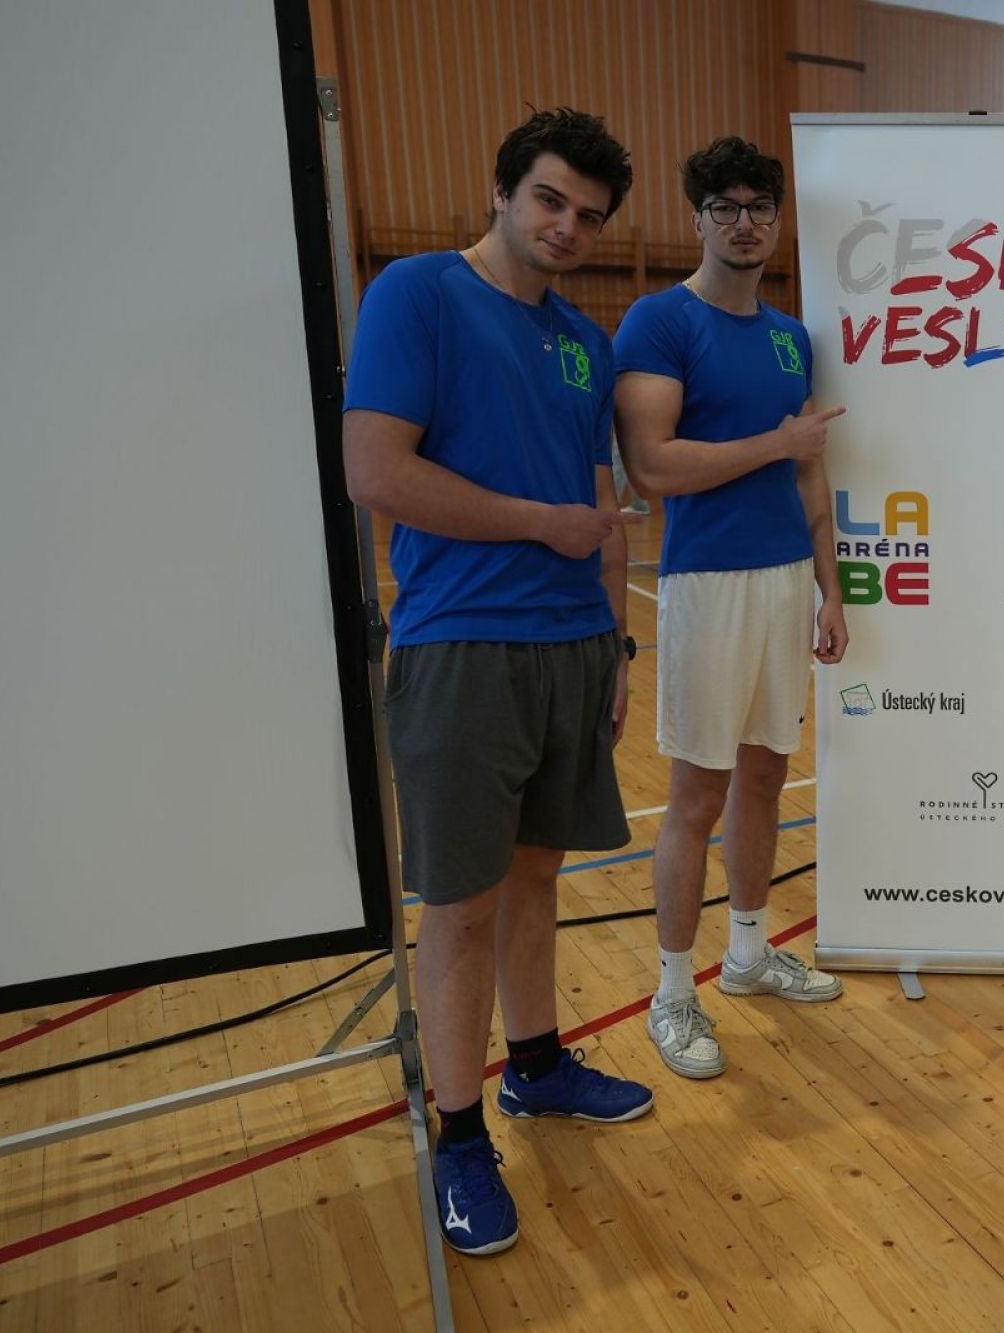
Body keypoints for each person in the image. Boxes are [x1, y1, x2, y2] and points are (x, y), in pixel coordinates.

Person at [343, 109, 653, 1257]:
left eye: (589, 215)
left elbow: (600, 505)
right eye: (550, 201)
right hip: (462, 648)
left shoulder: (582, 340)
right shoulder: (416, 294)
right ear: (503, 191)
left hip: (574, 650)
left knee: (535, 880)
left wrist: (615, 643)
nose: (568, 227)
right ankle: (459, 1134)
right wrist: (537, 524)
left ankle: (534, 1067)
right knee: (462, 907)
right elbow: (376, 471)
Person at [615, 137, 848, 1081]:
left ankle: (749, 953)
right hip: (707, 584)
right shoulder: (659, 321)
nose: (743, 222)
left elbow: (811, 472)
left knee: (764, 776)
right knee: (697, 795)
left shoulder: (792, 337)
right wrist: (774, 443)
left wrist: (832, 588)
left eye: (759, 207)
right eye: (726, 206)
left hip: (787, 580)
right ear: (697, 218)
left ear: (777, 221)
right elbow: (654, 465)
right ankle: (674, 992)